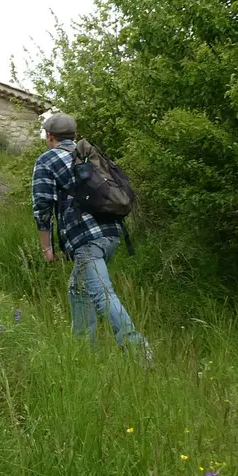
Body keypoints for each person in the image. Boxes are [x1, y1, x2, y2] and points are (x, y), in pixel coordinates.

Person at [31, 112, 151, 360]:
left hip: (87, 239)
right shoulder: (88, 156)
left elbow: (42, 205)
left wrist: (47, 249)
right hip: (112, 234)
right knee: (78, 289)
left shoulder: (47, 159)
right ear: (74, 135)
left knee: (101, 293)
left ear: (50, 137)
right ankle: (84, 352)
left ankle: (140, 353)